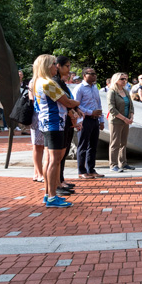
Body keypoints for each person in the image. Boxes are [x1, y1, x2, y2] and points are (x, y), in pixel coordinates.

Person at [33, 54, 79, 207]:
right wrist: (77, 102)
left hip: (47, 123)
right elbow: (67, 102)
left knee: (49, 159)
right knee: (54, 160)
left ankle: (48, 194)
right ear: (46, 66)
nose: (55, 67)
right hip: (54, 123)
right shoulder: (47, 83)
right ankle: (52, 197)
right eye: (53, 64)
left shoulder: (38, 82)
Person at [52, 56, 82, 194]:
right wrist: (74, 106)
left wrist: (76, 108)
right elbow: (66, 101)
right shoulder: (53, 82)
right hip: (58, 121)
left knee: (63, 153)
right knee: (56, 157)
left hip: (66, 120)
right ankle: (56, 185)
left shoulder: (61, 83)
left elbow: (70, 100)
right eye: (67, 66)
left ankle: (61, 180)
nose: (70, 70)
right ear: (58, 66)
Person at [74, 68, 106, 179]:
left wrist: (101, 120)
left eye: (95, 74)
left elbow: (99, 104)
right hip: (84, 120)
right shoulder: (79, 88)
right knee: (83, 145)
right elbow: (76, 105)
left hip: (95, 120)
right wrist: (90, 112)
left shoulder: (95, 88)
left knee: (93, 146)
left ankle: (91, 169)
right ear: (84, 75)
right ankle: (81, 171)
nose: (94, 76)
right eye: (91, 74)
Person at [107, 72, 135, 173]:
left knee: (123, 142)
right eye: (122, 79)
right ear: (116, 80)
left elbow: (131, 105)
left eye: (125, 79)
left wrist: (131, 116)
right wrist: (124, 119)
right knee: (115, 143)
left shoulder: (126, 91)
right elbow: (112, 109)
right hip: (116, 121)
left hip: (126, 120)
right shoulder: (112, 92)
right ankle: (113, 164)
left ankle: (123, 162)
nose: (124, 81)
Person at [27, 78, 44, 183]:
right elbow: (32, 99)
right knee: (37, 145)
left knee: (41, 145)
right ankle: (39, 173)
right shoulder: (34, 81)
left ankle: (36, 172)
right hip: (37, 115)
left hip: (42, 115)